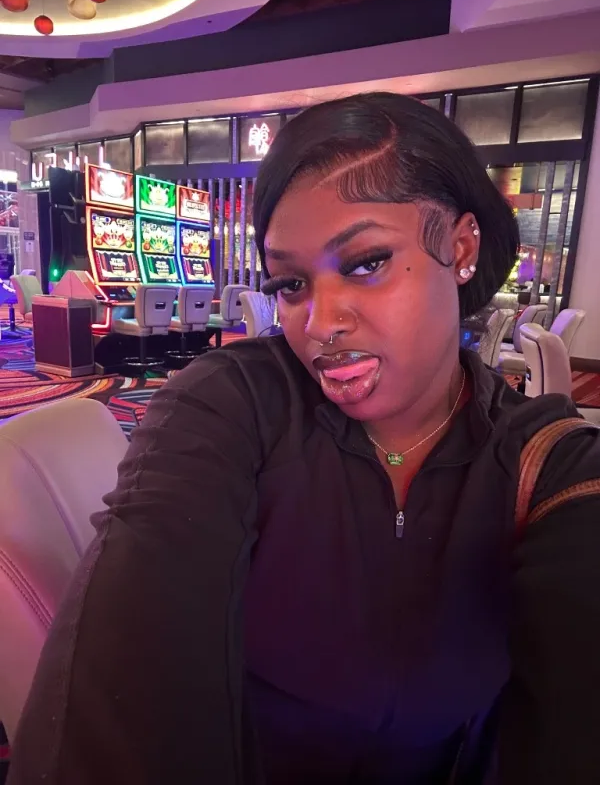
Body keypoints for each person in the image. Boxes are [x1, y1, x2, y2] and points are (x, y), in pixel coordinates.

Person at [8, 93, 600, 785]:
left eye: (366, 263)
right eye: (291, 284)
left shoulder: (549, 463)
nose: (320, 323)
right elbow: (120, 690)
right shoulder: (235, 403)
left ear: (460, 247)